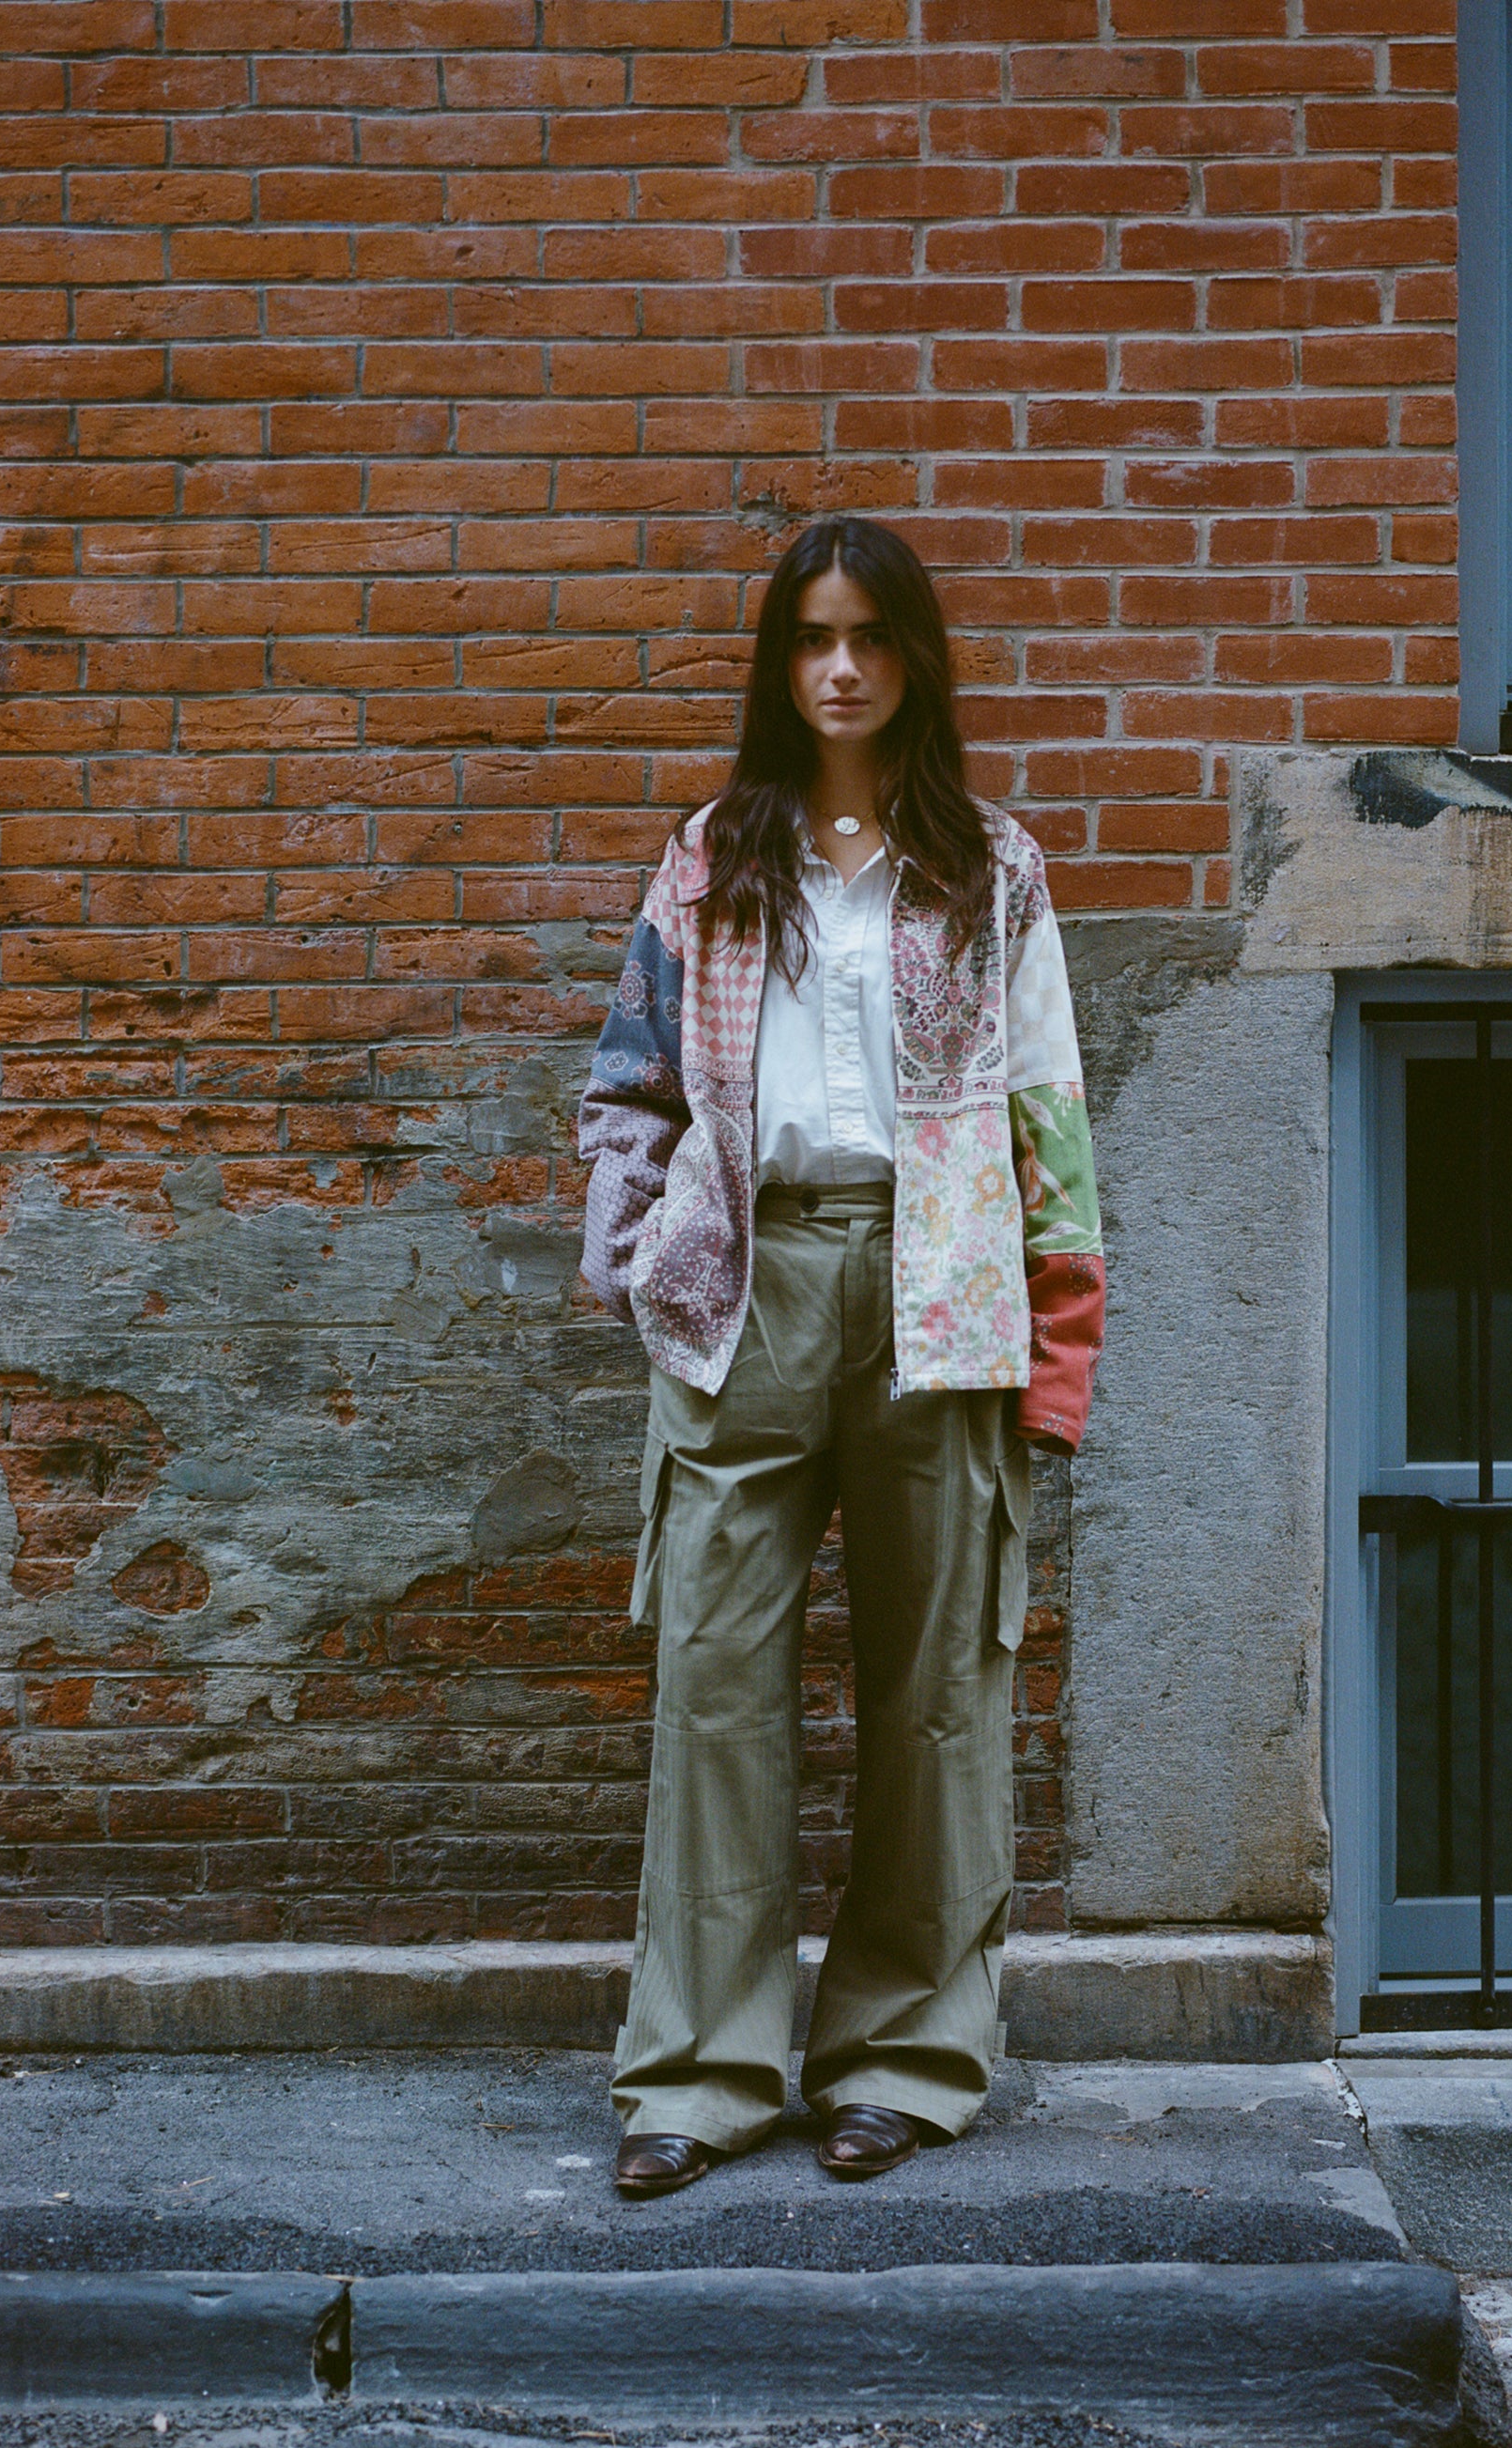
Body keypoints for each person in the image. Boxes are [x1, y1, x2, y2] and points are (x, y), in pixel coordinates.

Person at [578, 515, 1105, 2199]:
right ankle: (702, 2072)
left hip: (943, 1293)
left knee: (937, 1694)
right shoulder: (709, 858)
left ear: (913, 659)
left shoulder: (992, 870)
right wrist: (630, 1247)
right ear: (778, 664)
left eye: (872, 636)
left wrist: (1061, 1357)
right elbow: (631, 1080)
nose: (843, 667)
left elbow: (1051, 1122)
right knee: (714, 1683)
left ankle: (902, 2060)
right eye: (812, 637)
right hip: (749, 1288)